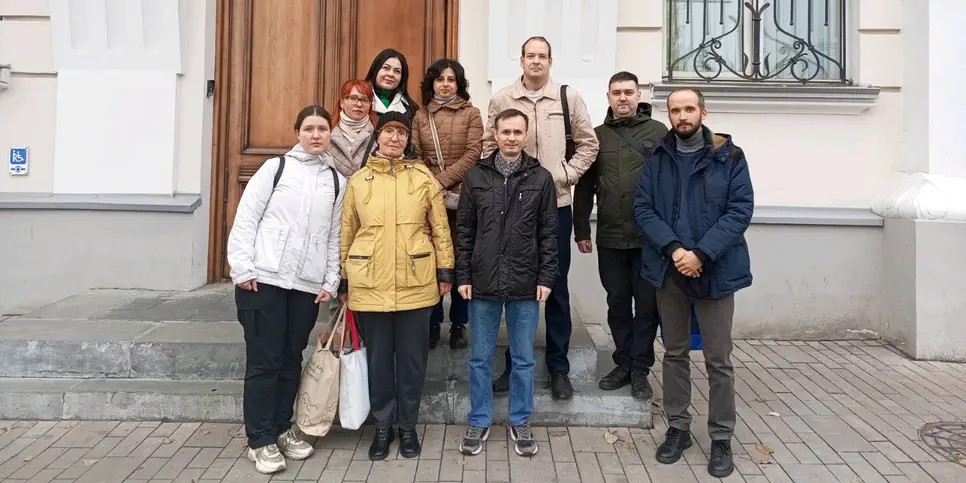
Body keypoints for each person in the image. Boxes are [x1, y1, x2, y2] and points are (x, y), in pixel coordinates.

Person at [633, 87, 753, 478]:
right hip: (670, 270)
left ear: (703, 111)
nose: (682, 116)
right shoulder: (656, 155)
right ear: (668, 115)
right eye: (675, 110)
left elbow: (739, 211)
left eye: (689, 108)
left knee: (719, 359)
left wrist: (700, 254)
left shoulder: (729, 156)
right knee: (674, 352)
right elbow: (643, 208)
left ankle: (721, 437)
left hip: (715, 269)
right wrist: (674, 250)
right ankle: (678, 428)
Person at [227, 105, 346, 474]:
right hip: (263, 279)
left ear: (330, 134)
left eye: (322, 129)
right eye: (309, 128)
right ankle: (260, 439)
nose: (315, 135)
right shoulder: (275, 169)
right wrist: (242, 266)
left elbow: (333, 235)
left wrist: (330, 280)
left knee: (291, 358)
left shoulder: (336, 180)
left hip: (306, 286)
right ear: (297, 132)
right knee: (264, 361)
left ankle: (282, 428)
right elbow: (247, 217)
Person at [482, 36, 599, 400]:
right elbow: (488, 147)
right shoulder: (502, 98)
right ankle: (513, 365)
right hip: (512, 209)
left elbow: (589, 144)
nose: (536, 61)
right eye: (529, 56)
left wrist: (563, 175)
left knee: (556, 286)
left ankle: (558, 368)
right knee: (514, 288)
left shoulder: (568, 97)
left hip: (556, 205)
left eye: (542, 56)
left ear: (551, 60)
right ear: (521, 61)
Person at [339, 111, 455, 461]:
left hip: (415, 283)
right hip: (370, 282)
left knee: (411, 361)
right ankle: (382, 427)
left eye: (401, 133)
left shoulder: (423, 178)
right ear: (378, 136)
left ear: (408, 139)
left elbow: (440, 227)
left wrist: (446, 270)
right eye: (388, 131)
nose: (394, 138)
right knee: (377, 362)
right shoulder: (359, 181)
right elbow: (347, 230)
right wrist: (344, 278)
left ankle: (407, 427)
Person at [456, 109, 558, 458]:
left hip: (525, 280)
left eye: (518, 132)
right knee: (480, 358)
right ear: (495, 135)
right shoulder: (475, 177)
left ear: (526, 136)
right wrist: (463, 276)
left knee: (524, 358)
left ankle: (520, 420)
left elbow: (548, 233)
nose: (512, 138)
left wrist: (546, 277)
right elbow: (465, 231)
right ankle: (480, 419)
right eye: (506, 132)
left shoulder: (541, 178)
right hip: (482, 280)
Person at [573, 71, 668, 400]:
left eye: (629, 92)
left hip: (649, 239)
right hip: (610, 236)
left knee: (646, 306)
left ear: (639, 95)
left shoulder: (659, 133)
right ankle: (623, 363)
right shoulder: (597, 136)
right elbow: (584, 187)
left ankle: (640, 368)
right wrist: (581, 228)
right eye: (617, 92)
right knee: (616, 304)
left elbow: (671, 186)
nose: (623, 98)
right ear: (609, 96)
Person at [410, 58, 484, 349]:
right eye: (440, 79)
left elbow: (473, 153)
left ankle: (459, 324)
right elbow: (413, 154)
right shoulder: (419, 116)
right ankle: (432, 321)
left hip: (462, 199)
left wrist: (440, 181)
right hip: (429, 201)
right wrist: (431, 186)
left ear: (459, 83)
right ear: (432, 83)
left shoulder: (472, 114)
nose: (445, 84)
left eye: (451, 79)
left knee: (462, 259)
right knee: (432, 260)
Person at [329, 79, 378, 178]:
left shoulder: (378, 134)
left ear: (370, 105)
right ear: (342, 103)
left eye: (364, 100)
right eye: (353, 98)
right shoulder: (327, 133)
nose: (359, 104)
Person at [364, 48, 418, 122]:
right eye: (386, 68)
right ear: (375, 70)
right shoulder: (358, 101)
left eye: (397, 71)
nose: (391, 74)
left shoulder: (412, 109)